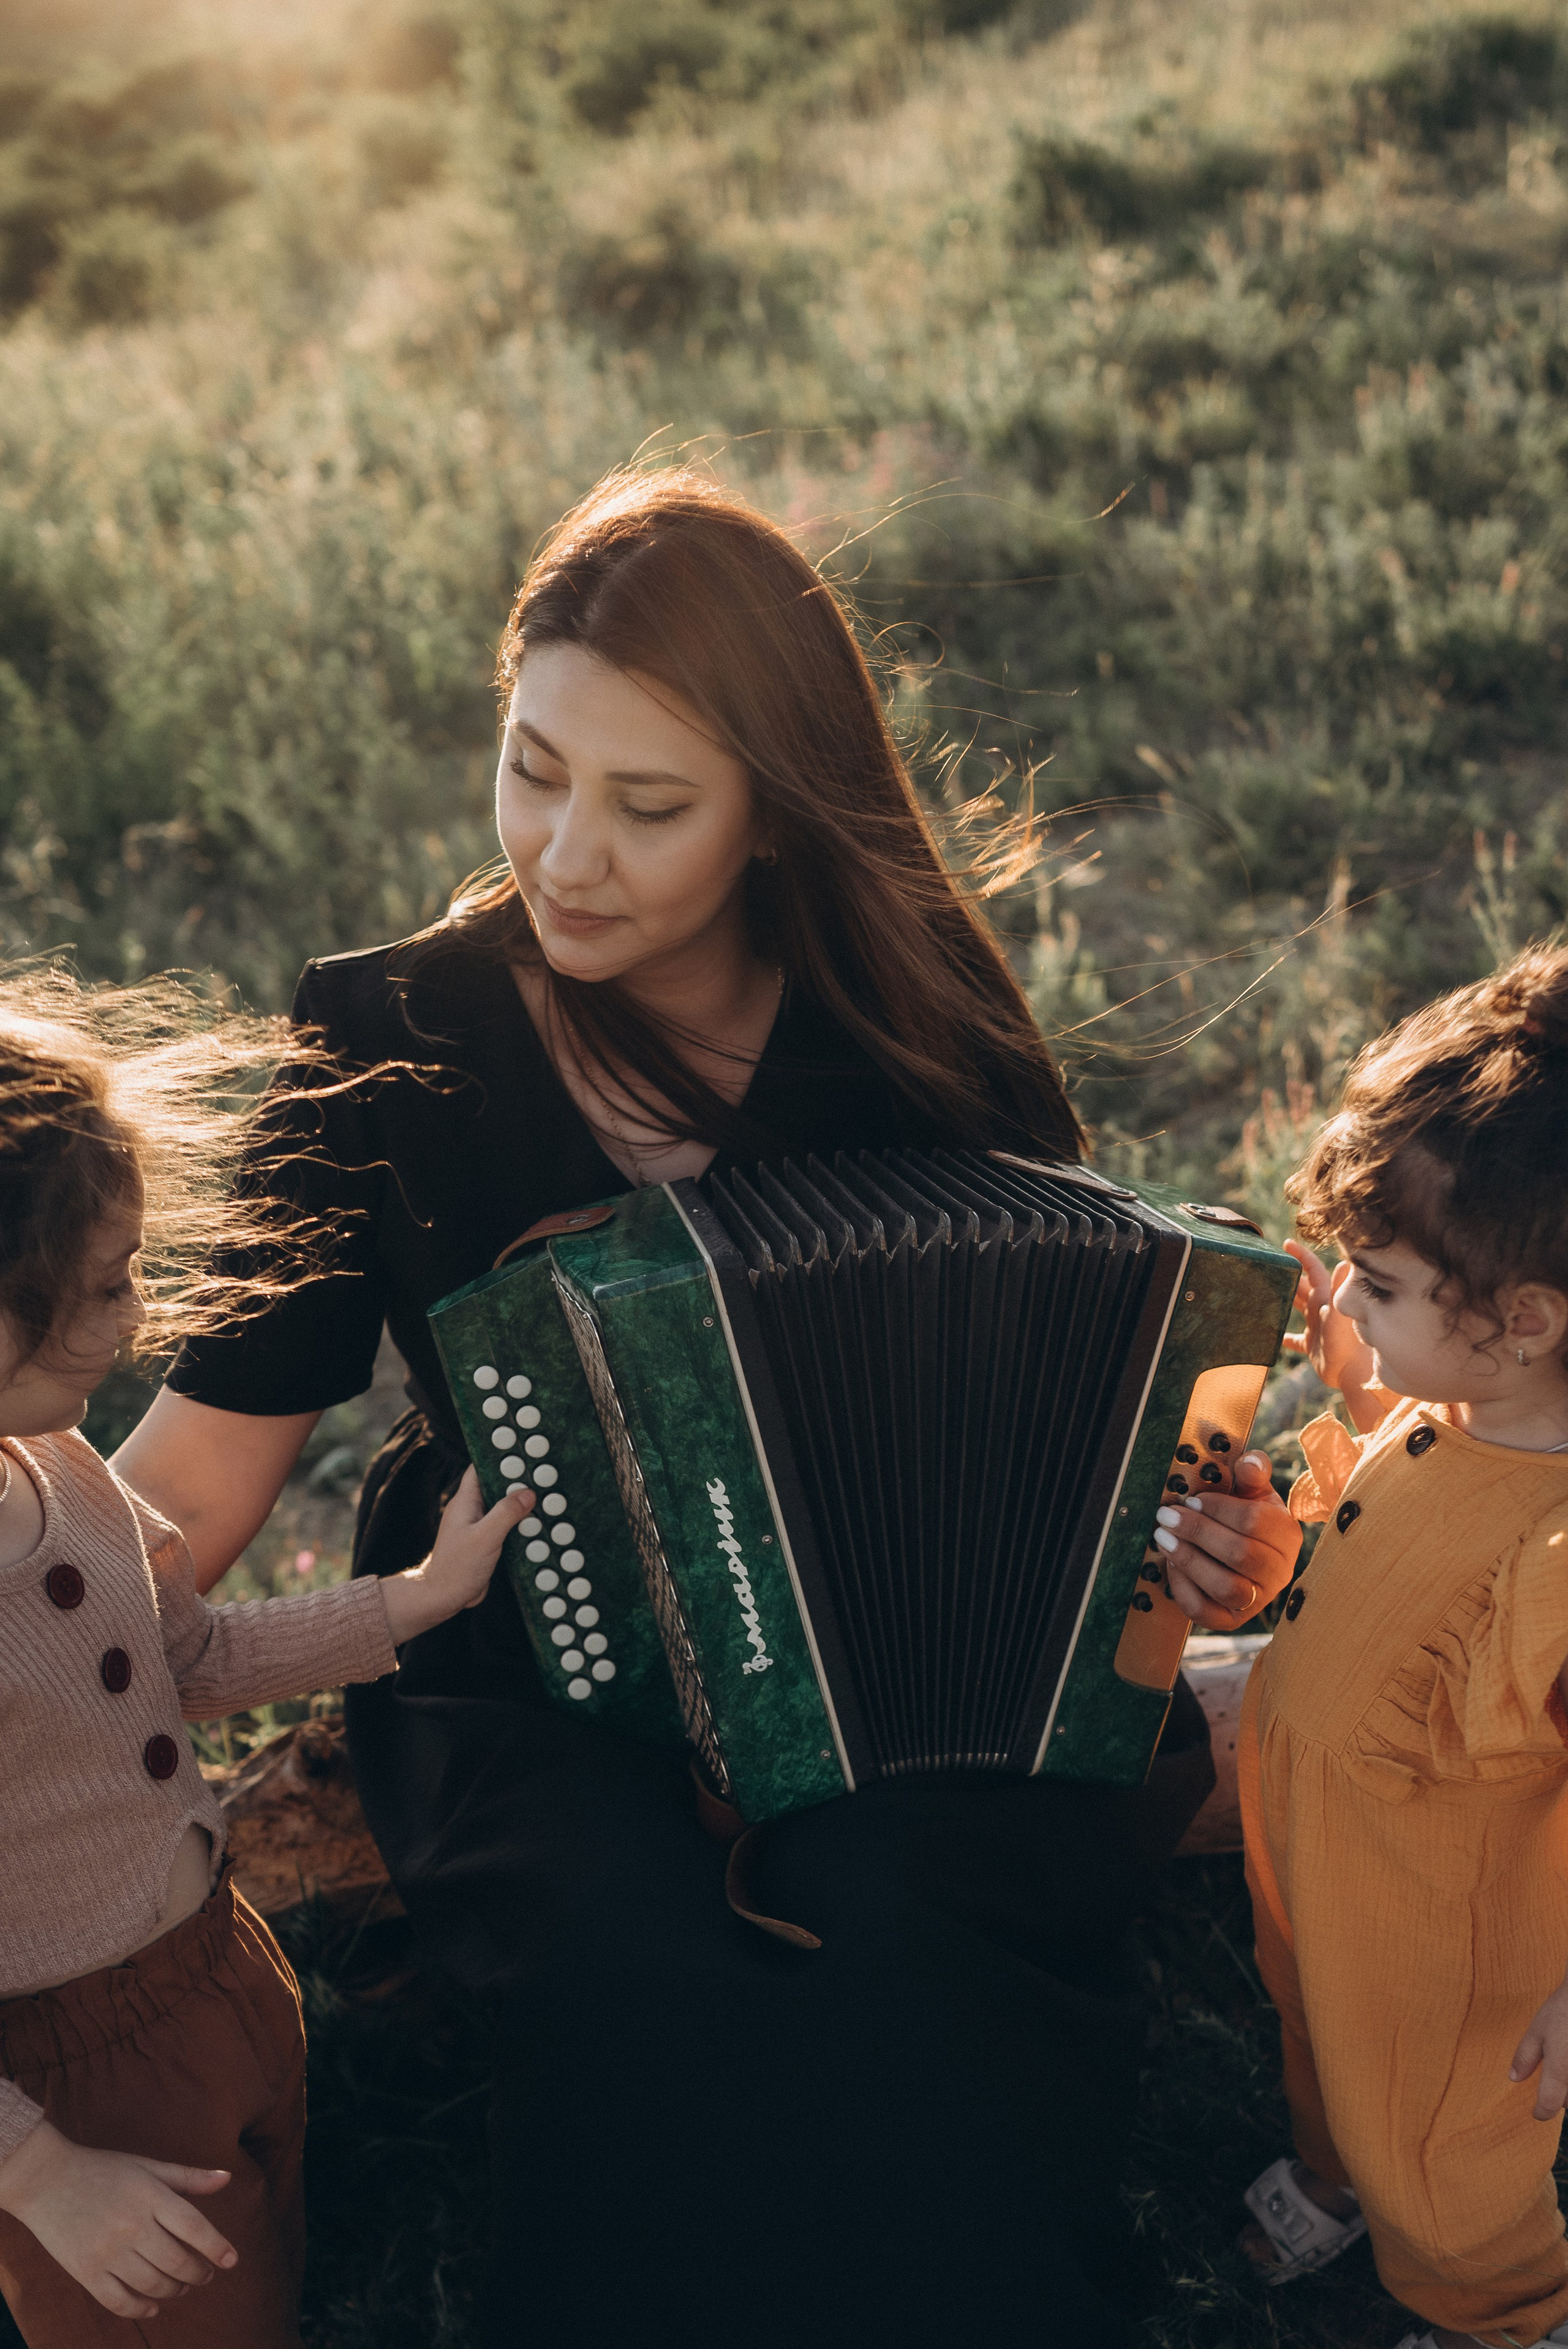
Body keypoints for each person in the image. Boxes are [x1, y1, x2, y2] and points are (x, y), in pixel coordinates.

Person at [116, 466, 1302, 2347]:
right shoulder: (387, 1041)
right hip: (523, 1645)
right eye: (532, 767)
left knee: (901, 1926)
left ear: (770, 815)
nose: (563, 851)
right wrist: (35, 1591)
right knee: (643, 1953)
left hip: (903, 1684)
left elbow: (1128, 1437)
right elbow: (198, 1464)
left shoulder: (915, 1033)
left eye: (649, 804)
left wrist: (1211, 1543)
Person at [0, 973, 530, 2348]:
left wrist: (411, 1600)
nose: (136, 1315)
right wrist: (40, 2174)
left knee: (256, 2286)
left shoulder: (61, 1470)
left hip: (216, 1976)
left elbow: (195, 1655)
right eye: (107, 1284)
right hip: (71, 2083)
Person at [1235, 943, 1568, 2349]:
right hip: (1315, 1860)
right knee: (1311, 2029)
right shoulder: (1459, 1411)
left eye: (1378, 1284)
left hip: (1441, 1961)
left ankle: (1498, 2313)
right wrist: (1367, 1374)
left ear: (1520, 1322)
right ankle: (1330, 2163)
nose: (1347, 1310)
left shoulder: (1551, 1562)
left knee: (1435, 2163)